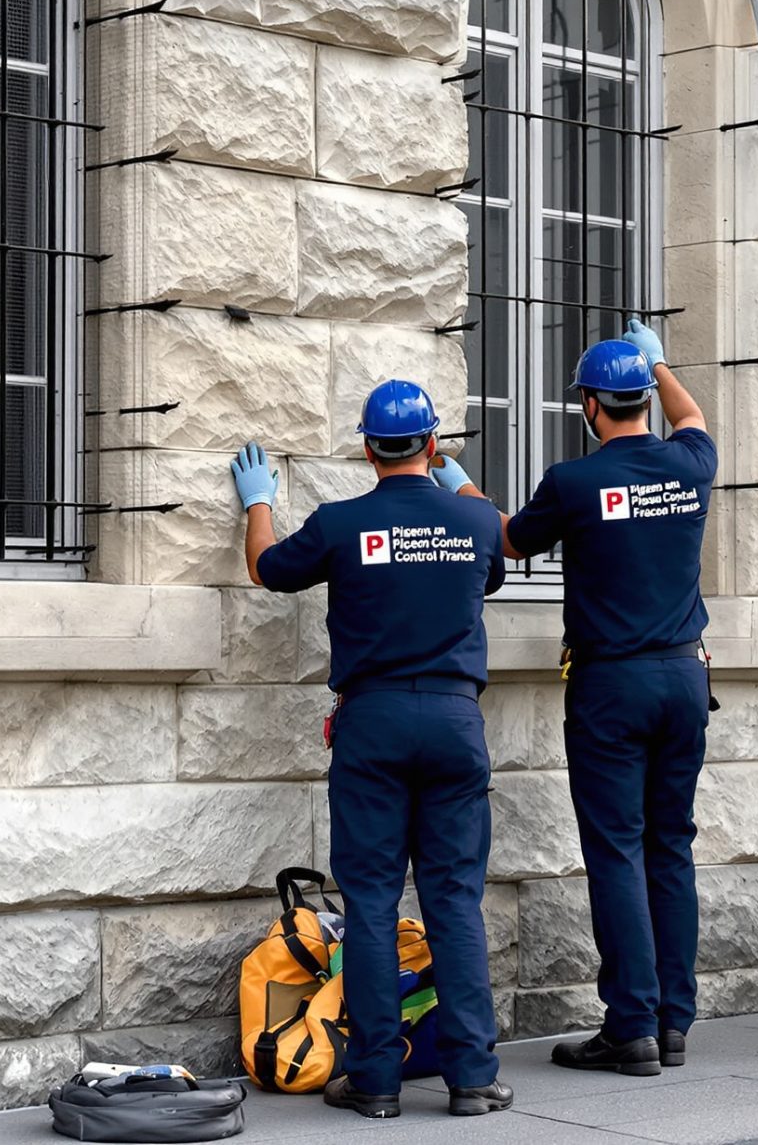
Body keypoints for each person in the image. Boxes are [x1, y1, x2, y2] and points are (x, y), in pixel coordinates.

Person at [231, 380, 514, 1118]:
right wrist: (464, 490)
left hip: (373, 725)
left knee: (372, 901)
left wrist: (258, 501)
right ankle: (474, 1078)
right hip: (455, 722)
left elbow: (267, 567)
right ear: (430, 445)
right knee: (454, 899)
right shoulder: (477, 520)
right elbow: (494, 562)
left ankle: (377, 1079)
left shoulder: (340, 521)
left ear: (366, 448)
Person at [442, 317, 715, 1076]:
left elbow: (508, 540)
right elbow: (692, 416)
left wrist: (456, 483)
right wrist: (662, 365)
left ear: (592, 405)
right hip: (686, 678)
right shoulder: (691, 460)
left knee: (619, 849)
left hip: (611, 686)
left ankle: (631, 1026)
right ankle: (674, 1020)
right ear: (644, 399)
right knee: (671, 844)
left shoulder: (575, 482)